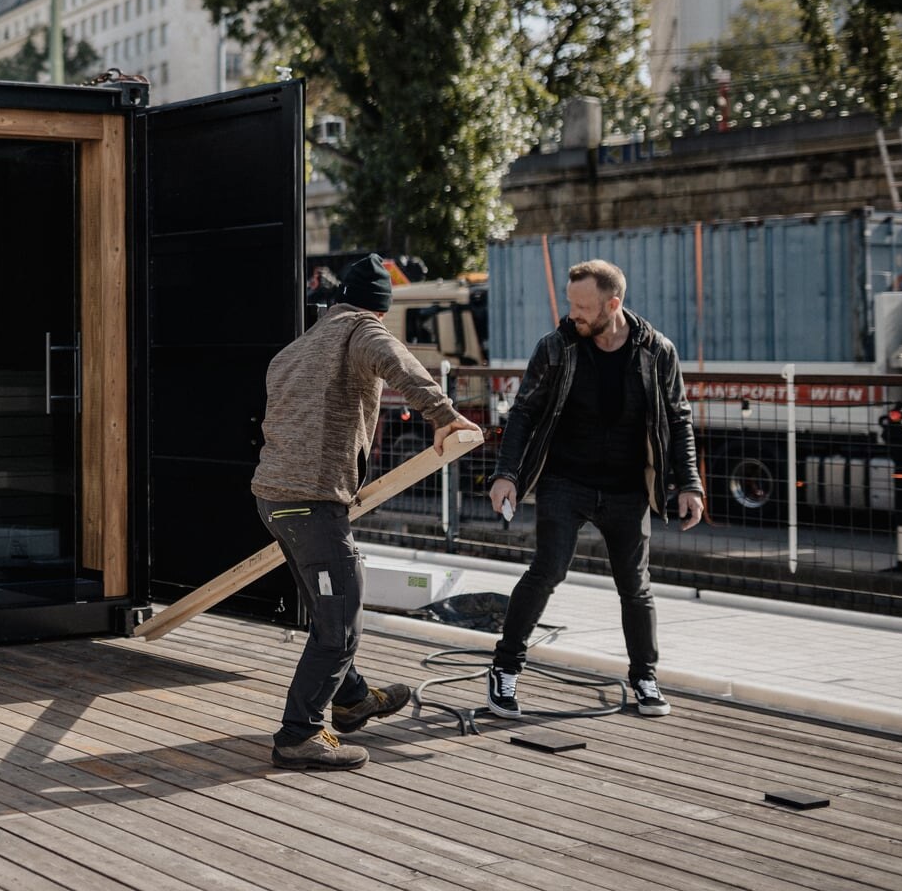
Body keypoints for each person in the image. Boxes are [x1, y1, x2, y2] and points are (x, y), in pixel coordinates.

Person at [253, 253, 481, 770]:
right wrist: (444, 416)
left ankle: (352, 700)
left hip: (273, 500)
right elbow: (397, 362)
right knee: (341, 627)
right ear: (379, 308)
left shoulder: (295, 348)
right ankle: (299, 734)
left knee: (331, 607)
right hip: (311, 504)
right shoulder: (362, 332)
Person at [485, 259, 702, 719]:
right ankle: (504, 669)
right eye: (571, 303)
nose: (573, 314)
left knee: (635, 586)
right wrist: (506, 474)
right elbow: (522, 412)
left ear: (613, 303)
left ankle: (645, 677)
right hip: (565, 481)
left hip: (627, 489)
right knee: (547, 571)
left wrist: (690, 484)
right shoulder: (557, 348)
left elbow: (679, 419)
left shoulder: (657, 351)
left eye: (583, 307)